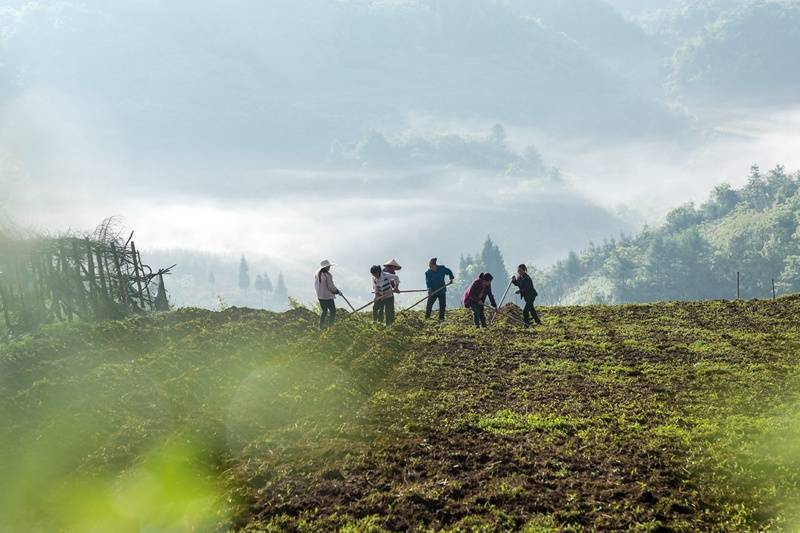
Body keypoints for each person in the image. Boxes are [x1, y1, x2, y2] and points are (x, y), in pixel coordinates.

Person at [314, 259, 341, 329]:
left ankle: (321, 326)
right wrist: (337, 291)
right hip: (327, 296)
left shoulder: (318, 273)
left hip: (320, 296)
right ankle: (331, 326)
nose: (329, 267)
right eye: (328, 266)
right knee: (333, 311)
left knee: (324, 311)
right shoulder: (327, 275)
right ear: (325, 267)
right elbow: (331, 287)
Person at [372, 261, 401, 325]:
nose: (375, 275)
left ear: (378, 272)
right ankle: (376, 322)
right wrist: (376, 296)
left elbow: (396, 278)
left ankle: (390, 324)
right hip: (380, 295)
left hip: (388, 295)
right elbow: (376, 287)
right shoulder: (374, 278)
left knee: (389, 310)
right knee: (376, 308)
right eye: (373, 274)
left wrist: (396, 288)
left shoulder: (386, 275)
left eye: (375, 274)